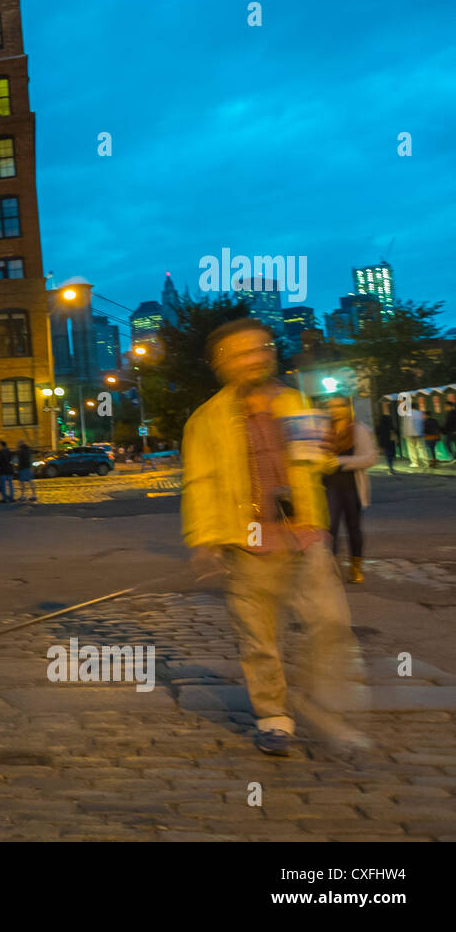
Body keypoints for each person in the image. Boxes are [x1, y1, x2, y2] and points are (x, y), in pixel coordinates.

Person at [182, 318, 367, 756]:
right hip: (247, 539)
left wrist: (324, 450)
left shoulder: (294, 402)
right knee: (259, 637)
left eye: (261, 348)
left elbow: (315, 464)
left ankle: (324, 702)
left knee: (332, 623)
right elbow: (200, 482)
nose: (255, 358)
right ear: (222, 364)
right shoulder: (205, 419)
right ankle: (273, 716)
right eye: (242, 353)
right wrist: (204, 539)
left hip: (304, 533)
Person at [322, 395, 379, 584]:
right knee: (330, 529)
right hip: (329, 485)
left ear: (347, 408)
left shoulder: (359, 430)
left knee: (354, 528)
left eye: (339, 406)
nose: (334, 410)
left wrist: (341, 461)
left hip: (351, 486)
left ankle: (356, 567)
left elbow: (370, 458)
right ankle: (332, 568)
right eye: (330, 406)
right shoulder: (323, 430)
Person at [374, 401, 396, 474]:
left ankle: (390, 467)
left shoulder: (380, 425)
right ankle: (391, 466)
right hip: (391, 441)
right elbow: (395, 431)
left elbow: (377, 432)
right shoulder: (390, 425)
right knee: (391, 454)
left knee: (387, 454)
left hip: (384, 442)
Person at [442, 395, 456, 463]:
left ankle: (454, 457)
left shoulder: (451, 413)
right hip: (451, 432)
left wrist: (443, 430)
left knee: (447, 443)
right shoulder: (451, 413)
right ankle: (454, 457)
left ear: (449, 406)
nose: (445, 408)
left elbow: (448, 423)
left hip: (451, 432)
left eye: (446, 406)